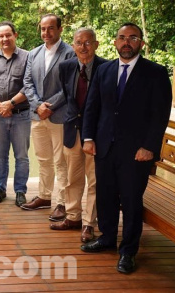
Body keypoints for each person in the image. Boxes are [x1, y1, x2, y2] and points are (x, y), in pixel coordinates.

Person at [81, 23, 171, 274]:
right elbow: (92, 107)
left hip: (136, 151)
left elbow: (159, 115)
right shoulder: (104, 70)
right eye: (122, 38)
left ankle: (128, 251)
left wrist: (149, 147)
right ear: (114, 42)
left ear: (141, 43)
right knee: (106, 196)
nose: (126, 42)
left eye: (133, 38)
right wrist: (88, 138)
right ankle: (107, 237)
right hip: (104, 147)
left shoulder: (155, 72)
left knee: (131, 201)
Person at [50, 28, 107, 243]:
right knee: (72, 178)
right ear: (73, 45)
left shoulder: (106, 68)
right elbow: (68, 97)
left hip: (96, 135)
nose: (83, 47)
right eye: (79, 42)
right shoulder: (65, 67)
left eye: (88, 42)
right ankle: (73, 217)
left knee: (94, 181)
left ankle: (88, 224)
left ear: (96, 44)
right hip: (72, 131)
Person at [21, 14, 75, 222]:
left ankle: (61, 202)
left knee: (61, 161)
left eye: (51, 28)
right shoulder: (33, 54)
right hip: (36, 115)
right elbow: (27, 83)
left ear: (60, 29)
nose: (46, 33)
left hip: (58, 115)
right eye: (43, 29)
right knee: (43, 159)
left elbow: (69, 86)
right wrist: (37, 105)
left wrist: (49, 106)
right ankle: (44, 196)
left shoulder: (70, 53)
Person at [0, 21, 30, 207]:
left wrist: (10, 103)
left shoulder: (28, 57)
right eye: (1, 36)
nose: (4, 39)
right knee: (0, 155)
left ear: (15, 35)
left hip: (21, 114)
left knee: (21, 156)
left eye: (8, 35)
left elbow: (30, 85)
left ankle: (20, 191)